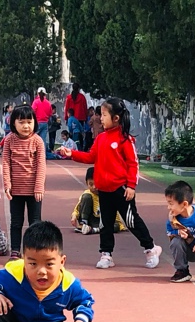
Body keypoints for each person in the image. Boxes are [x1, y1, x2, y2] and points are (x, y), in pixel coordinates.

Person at [68, 98, 161, 270]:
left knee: (131, 221)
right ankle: (106, 254)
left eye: (104, 115)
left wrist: (131, 186)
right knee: (105, 223)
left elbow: (133, 164)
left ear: (116, 118)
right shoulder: (101, 138)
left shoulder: (125, 140)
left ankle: (150, 248)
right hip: (104, 190)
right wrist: (71, 153)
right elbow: (90, 157)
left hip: (121, 189)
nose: (100, 118)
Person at [0, 105, 46, 259]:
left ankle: (34, 250)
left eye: (29, 122)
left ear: (34, 123)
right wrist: (7, 185)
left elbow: (41, 165)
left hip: (34, 191)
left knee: (35, 222)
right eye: (21, 122)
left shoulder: (37, 141)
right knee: (16, 222)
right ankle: (15, 250)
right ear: (13, 123)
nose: (26, 126)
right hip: (16, 190)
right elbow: (6, 163)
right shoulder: (9, 140)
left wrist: (39, 187)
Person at [70, 166, 124, 237]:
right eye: (91, 184)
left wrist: (117, 224)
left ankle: (94, 230)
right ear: (86, 183)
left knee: (115, 226)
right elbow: (77, 208)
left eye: (97, 184)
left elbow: (114, 214)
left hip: (101, 220)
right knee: (86, 197)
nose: (94, 187)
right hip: (91, 219)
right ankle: (83, 224)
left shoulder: (108, 194)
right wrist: (74, 217)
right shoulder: (87, 193)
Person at [32, 87, 55, 153]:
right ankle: (43, 154)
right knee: (43, 140)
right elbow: (50, 113)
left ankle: (33, 153)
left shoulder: (36, 102)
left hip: (37, 122)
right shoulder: (48, 103)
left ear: (38, 93)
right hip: (45, 123)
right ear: (45, 94)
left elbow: (32, 112)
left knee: (33, 138)